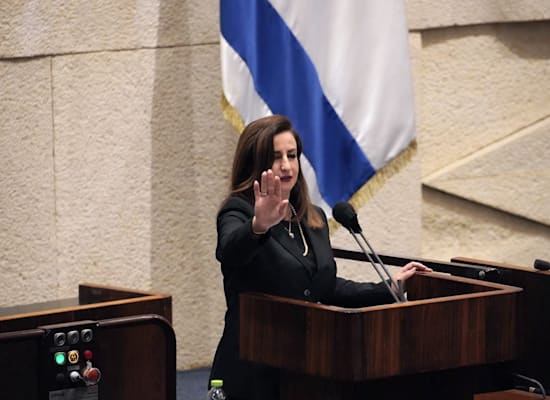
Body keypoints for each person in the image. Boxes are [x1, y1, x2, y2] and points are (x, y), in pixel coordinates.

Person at [209, 114, 431, 400]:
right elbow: (229, 252)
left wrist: (392, 287)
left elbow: (325, 287)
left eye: (292, 155)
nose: (287, 165)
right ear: (257, 163)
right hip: (252, 368)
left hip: (305, 365)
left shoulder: (313, 218)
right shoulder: (238, 211)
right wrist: (258, 225)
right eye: (276, 157)